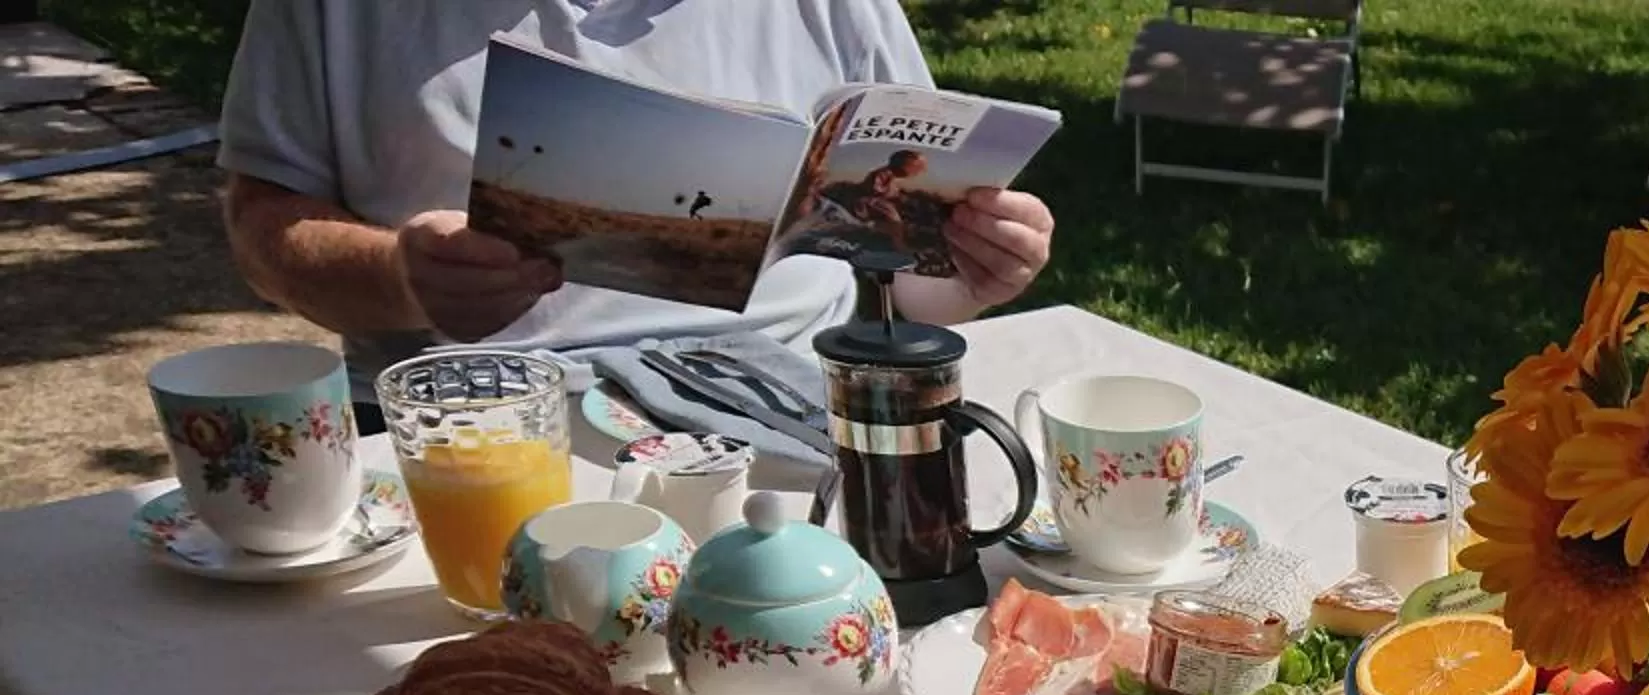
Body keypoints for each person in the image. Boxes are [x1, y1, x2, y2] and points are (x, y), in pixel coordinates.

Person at [217, 1, 1054, 389]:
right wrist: (398, 277)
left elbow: (897, 283)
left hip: (794, 406)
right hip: (476, 426)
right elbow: (263, 224)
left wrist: (970, 276)